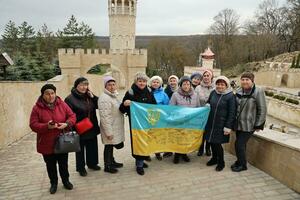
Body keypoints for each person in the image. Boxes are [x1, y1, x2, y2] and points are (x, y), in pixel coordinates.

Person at [30, 84, 76, 194]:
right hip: (46, 142)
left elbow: (72, 116)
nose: (50, 96)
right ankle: (53, 183)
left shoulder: (62, 104)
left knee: (63, 164)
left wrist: (66, 124)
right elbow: (33, 124)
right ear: (43, 95)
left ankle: (66, 181)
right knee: (50, 165)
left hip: (62, 140)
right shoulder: (37, 108)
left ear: (55, 93)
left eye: (52, 93)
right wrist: (46, 126)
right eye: (47, 94)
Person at [119, 72, 157, 175]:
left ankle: (143, 159)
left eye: (144, 81)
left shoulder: (149, 91)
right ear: (136, 81)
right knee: (138, 143)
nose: (142, 83)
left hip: (147, 122)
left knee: (146, 142)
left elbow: (154, 106)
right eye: (140, 81)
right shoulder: (130, 92)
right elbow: (121, 109)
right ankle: (139, 164)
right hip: (136, 124)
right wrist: (125, 104)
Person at [231, 72, 267, 172]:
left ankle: (243, 165)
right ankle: (239, 161)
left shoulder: (258, 91)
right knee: (242, 145)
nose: (245, 81)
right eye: (243, 79)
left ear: (252, 81)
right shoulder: (238, 90)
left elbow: (262, 109)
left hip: (249, 125)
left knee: (239, 144)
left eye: (247, 80)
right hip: (238, 124)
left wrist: (259, 124)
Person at [65, 77, 101, 177]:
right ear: (76, 86)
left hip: (91, 126)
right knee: (80, 149)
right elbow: (68, 114)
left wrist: (93, 96)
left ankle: (92, 164)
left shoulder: (89, 96)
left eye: (86, 85)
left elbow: (99, 105)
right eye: (81, 85)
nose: (84, 87)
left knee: (92, 146)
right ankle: (81, 168)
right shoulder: (69, 99)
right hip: (79, 128)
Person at [205, 76, 236, 171]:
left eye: (222, 84)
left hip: (221, 124)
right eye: (218, 84)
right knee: (211, 141)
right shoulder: (213, 92)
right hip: (210, 122)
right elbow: (209, 102)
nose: (220, 86)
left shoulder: (230, 96)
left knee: (217, 144)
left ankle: (221, 162)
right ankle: (214, 159)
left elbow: (232, 113)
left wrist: (228, 126)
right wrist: (207, 105)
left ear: (226, 85)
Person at [169, 76, 203, 164]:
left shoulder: (195, 95)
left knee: (186, 138)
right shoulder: (175, 94)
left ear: (190, 85)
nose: (186, 86)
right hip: (179, 121)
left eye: (188, 84)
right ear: (181, 85)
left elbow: (198, 107)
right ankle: (177, 154)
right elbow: (171, 108)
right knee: (178, 138)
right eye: (184, 84)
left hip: (190, 122)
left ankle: (184, 153)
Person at [98, 76, 125, 174]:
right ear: (105, 86)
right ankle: (107, 165)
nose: (112, 87)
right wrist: (108, 132)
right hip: (109, 127)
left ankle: (111, 161)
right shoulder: (105, 98)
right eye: (109, 85)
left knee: (111, 145)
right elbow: (105, 117)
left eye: (113, 84)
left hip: (114, 126)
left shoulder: (112, 96)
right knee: (108, 146)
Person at [149, 75, 170, 160]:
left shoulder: (163, 94)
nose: (155, 83)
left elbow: (167, 106)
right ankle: (147, 153)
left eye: (157, 82)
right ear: (151, 83)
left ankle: (157, 152)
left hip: (160, 118)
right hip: (149, 117)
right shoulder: (147, 92)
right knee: (150, 135)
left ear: (160, 84)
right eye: (154, 82)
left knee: (158, 135)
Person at [195, 69, 214, 156]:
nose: (206, 77)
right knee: (201, 131)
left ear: (211, 77)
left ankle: (208, 148)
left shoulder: (215, 87)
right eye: (205, 76)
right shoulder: (198, 88)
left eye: (208, 75)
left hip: (212, 113)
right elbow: (195, 100)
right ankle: (201, 148)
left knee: (209, 131)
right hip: (200, 113)